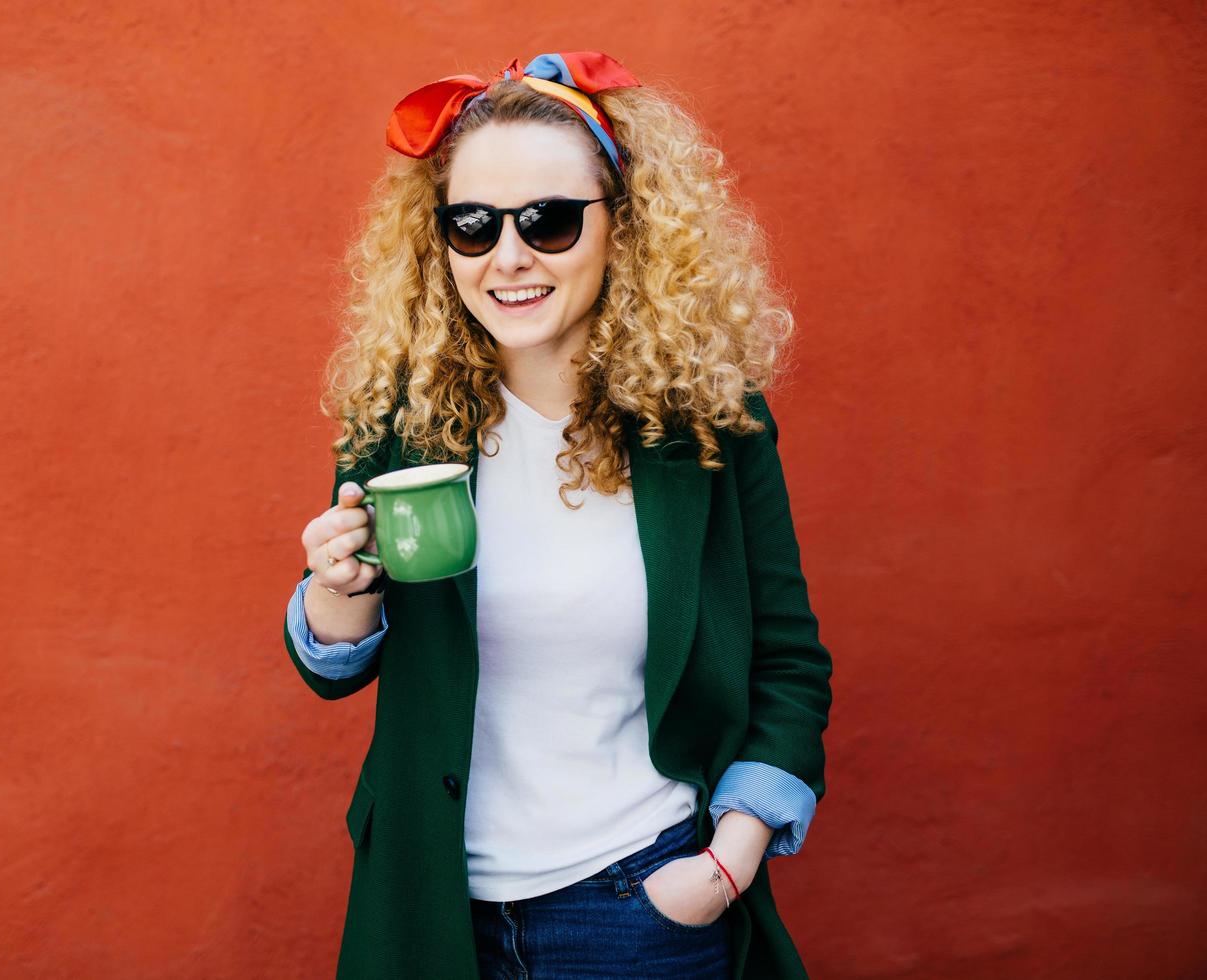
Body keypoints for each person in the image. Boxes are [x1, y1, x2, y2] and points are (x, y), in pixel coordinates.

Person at [281, 50, 833, 980]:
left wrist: (727, 861)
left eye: (548, 220)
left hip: (640, 912)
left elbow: (785, 657)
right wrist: (334, 592)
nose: (508, 257)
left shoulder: (707, 428)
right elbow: (335, 667)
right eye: (470, 225)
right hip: (431, 909)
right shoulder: (402, 421)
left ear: (625, 229)